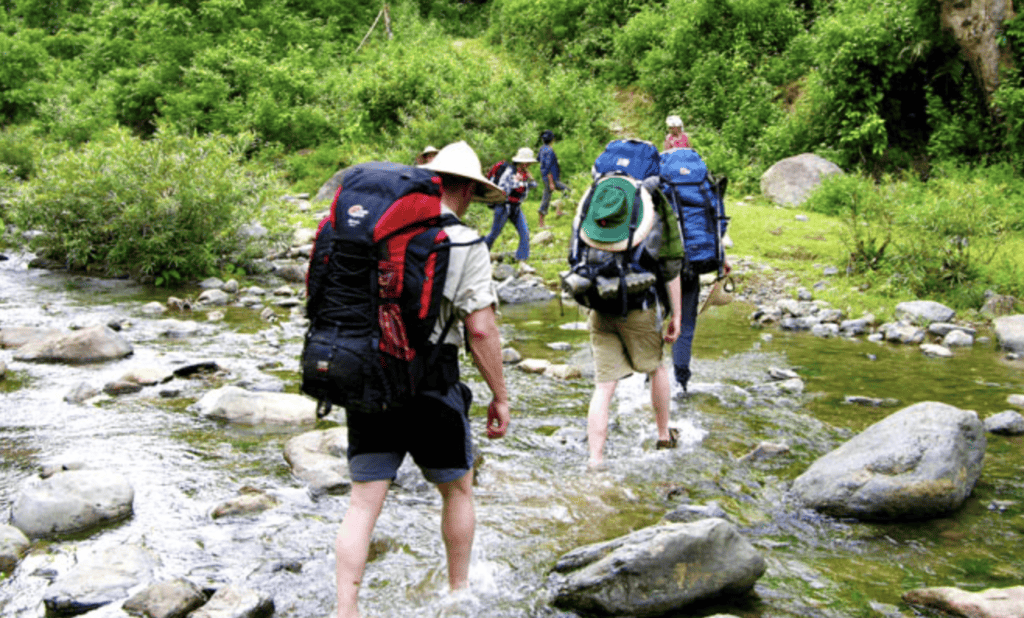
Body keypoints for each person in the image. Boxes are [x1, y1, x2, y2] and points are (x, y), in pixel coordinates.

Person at [335, 141, 511, 618]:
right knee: (457, 490)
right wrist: (500, 395)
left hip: (369, 379)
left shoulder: (376, 229)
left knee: (362, 505)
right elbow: (480, 329)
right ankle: (457, 595)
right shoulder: (466, 242)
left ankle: (345, 609)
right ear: (471, 191)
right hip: (433, 384)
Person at [574, 174, 684, 470]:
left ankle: (595, 460)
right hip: (640, 308)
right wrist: (677, 313)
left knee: (604, 386)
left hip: (598, 306)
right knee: (657, 367)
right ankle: (663, 436)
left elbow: (575, 256)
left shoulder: (594, 201)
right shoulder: (648, 206)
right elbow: (671, 267)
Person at [484, 147, 537, 262]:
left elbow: (528, 188)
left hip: (516, 207)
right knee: (494, 234)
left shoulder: (525, 174)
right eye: (526, 162)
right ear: (521, 161)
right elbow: (503, 189)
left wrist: (528, 182)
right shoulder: (509, 171)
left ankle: (522, 260)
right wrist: (520, 184)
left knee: (525, 233)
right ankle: (480, 254)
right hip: (503, 206)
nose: (528, 164)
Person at [537, 130, 568, 228]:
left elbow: (538, 160)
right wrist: (551, 182)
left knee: (565, 190)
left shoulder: (542, 149)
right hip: (551, 178)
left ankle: (559, 211)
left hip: (547, 177)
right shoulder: (549, 151)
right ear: (552, 139)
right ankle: (541, 224)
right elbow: (548, 166)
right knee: (547, 197)